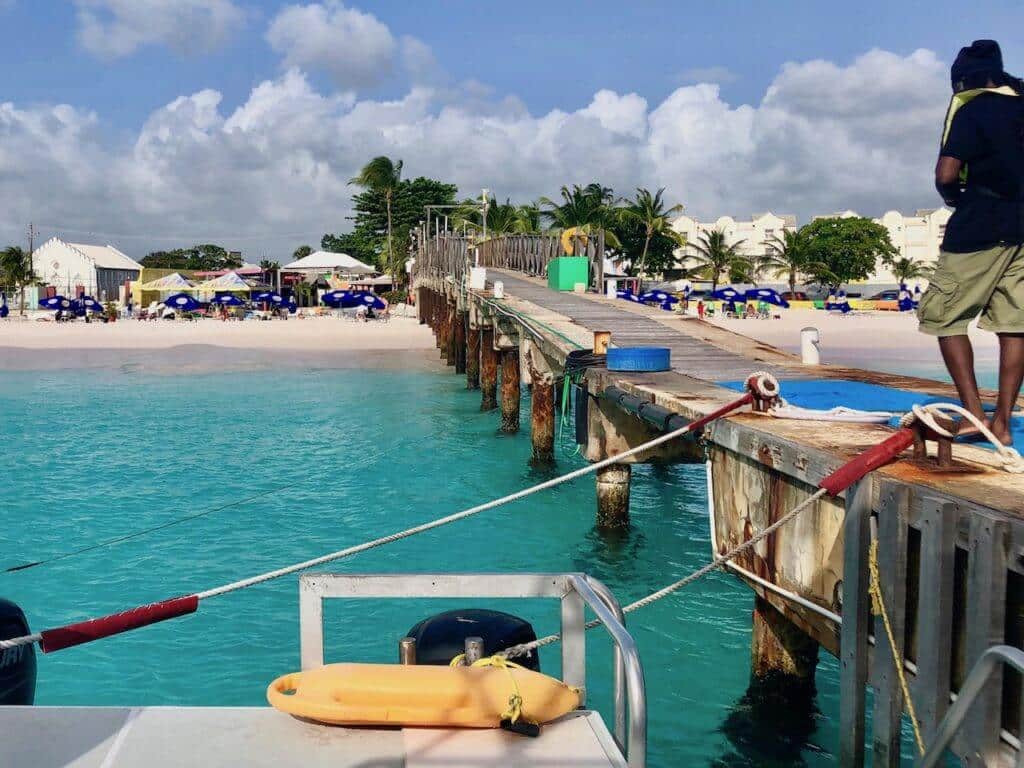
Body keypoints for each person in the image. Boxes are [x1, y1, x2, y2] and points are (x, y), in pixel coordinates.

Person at [918, 40, 1024, 444]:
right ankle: (1003, 423)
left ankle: (973, 415)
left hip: (980, 226)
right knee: (1015, 324)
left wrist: (954, 199)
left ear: (962, 81)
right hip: (1022, 230)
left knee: (945, 316)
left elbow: (946, 174)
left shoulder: (973, 110)